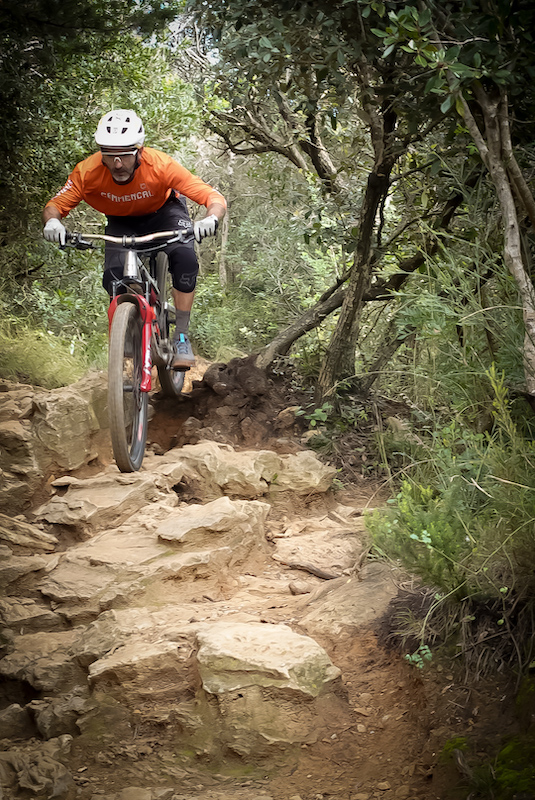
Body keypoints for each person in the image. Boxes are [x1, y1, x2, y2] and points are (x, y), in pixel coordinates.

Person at [42, 109, 226, 369]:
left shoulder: (160, 165)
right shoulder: (87, 172)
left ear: (139, 151)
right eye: (109, 156)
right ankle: (131, 322)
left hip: (165, 214)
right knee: (113, 277)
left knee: (185, 258)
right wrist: (53, 221)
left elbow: (212, 196)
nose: (117, 164)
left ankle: (182, 335)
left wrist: (210, 219)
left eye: (125, 156)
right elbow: (55, 205)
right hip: (121, 222)